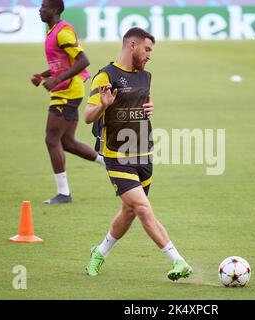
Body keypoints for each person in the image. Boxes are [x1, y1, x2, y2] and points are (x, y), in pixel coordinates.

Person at [83, 27, 193, 281]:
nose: (149, 55)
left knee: (129, 211)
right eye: (147, 49)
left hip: (145, 154)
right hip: (118, 157)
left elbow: (144, 103)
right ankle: (178, 261)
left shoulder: (145, 76)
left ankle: (99, 252)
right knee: (143, 208)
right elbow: (88, 117)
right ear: (132, 45)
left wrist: (150, 107)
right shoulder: (105, 76)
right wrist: (102, 105)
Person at [31, 0, 104, 204]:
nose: (40, 9)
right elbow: (62, 63)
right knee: (67, 142)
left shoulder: (62, 32)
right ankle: (107, 162)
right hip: (66, 90)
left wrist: (55, 80)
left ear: (55, 10)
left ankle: (63, 194)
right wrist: (44, 76)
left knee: (51, 139)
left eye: (44, 6)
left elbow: (83, 61)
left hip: (67, 92)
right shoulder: (53, 32)